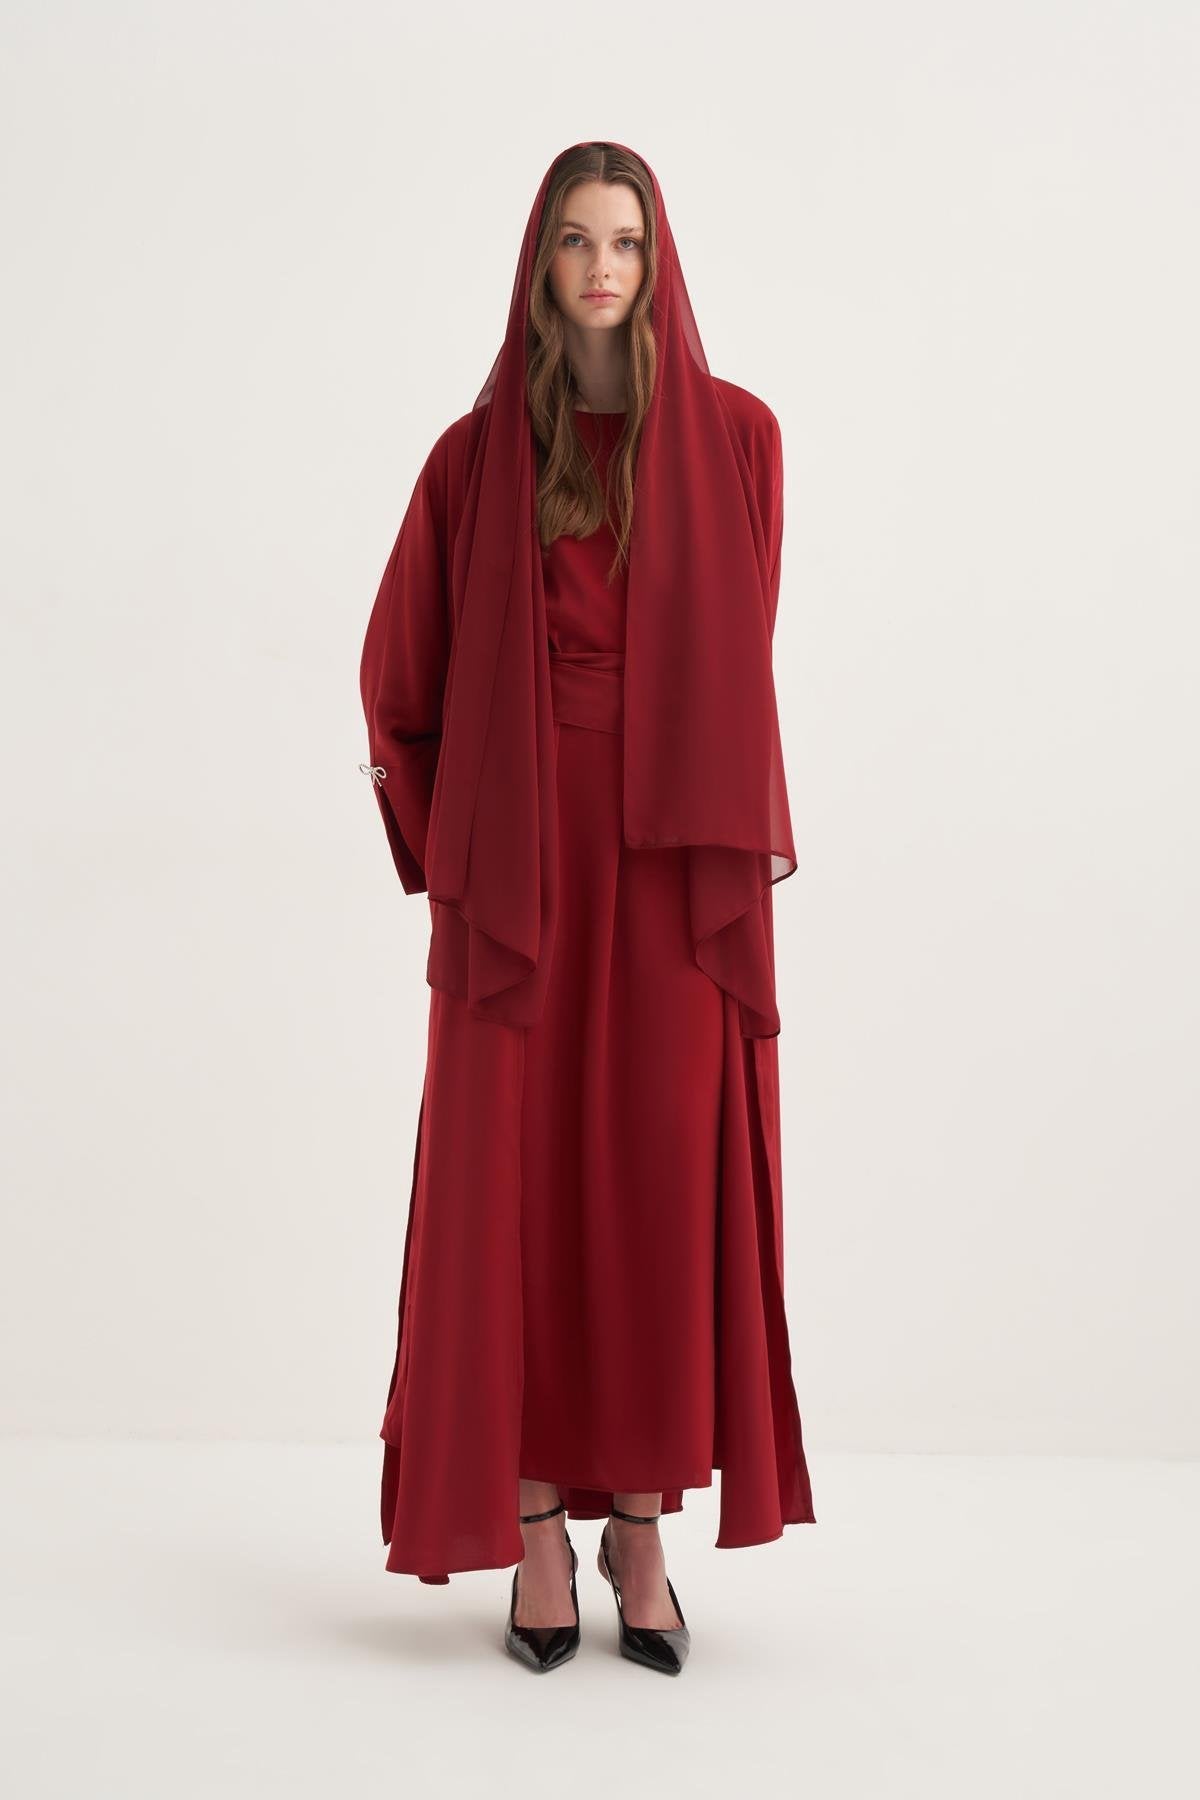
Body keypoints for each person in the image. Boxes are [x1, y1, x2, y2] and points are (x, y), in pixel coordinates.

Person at [358, 139, 816, 1676]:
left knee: (655, 1187)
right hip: (522, 881)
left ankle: (642, 1523)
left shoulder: (742, 441)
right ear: (540, 263)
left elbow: (733, 660)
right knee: (521, 1186)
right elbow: (398, 683)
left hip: (675, 867)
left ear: (658, 259)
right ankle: (537, 1523)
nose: (603, 266)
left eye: (625, 239)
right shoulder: (474, 458)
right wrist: (464, 855)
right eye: (575, 239)